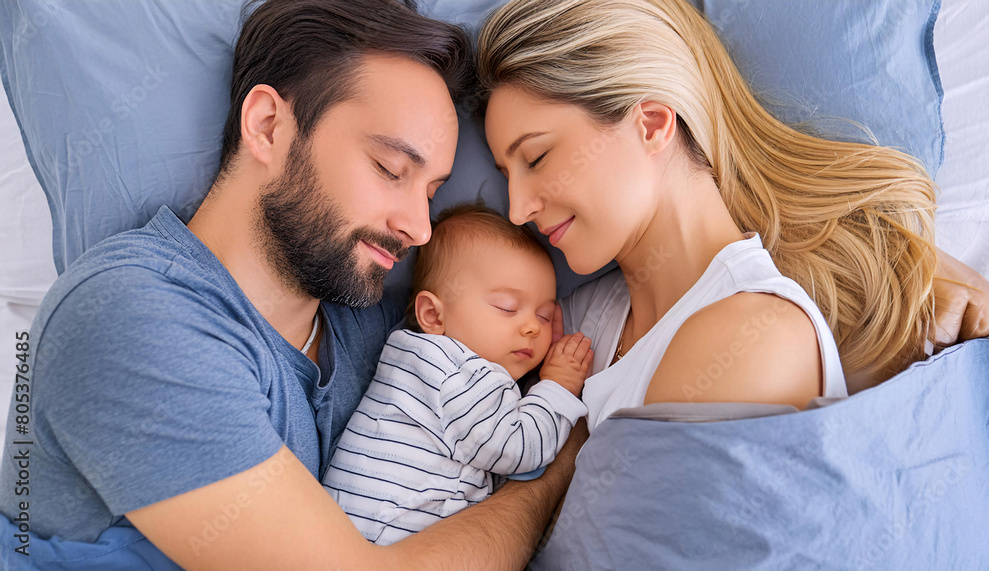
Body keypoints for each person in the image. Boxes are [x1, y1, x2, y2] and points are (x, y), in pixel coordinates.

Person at [0, 1, 584, 569]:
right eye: (389, 169)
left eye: (430, 192)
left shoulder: (365, 318)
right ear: (268, 126)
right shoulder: (130, 316)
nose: (419, 227)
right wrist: (554, 474)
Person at [475, 0, 989, 428]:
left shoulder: (753, 337)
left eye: (537, 158)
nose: (518, 209)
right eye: (505, 175)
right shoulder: (577, 320)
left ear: (653, 124)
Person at [324, 204, 592, 545]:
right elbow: (517, 450)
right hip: (388, 541)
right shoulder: (456, 373)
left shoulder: (416, 360)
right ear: (433, 316)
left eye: (544, 315)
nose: (531, 328)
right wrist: (558, 386)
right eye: (507, 307)